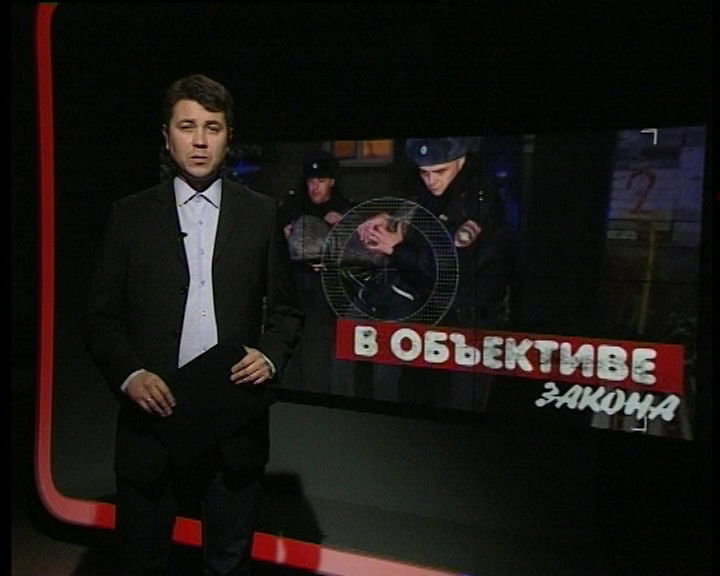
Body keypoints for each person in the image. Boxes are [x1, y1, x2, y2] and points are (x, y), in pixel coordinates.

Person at [82, 74, 303, 576]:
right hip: (151, 423)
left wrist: (269, 355)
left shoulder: (260, 214)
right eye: (187, 127)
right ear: (167, 137)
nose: (200, 141)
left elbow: (288, 311)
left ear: (229, 137)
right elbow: (99, 318)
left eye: (213, 127)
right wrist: (130, 375)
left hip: (233, 419)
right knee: (141, 562)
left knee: (228, 563)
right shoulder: (130, 216)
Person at [358, 136, 515, 411]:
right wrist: (391, 222)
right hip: (437, 317)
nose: (431, 180)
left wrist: (396, 248)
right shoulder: (436, 193)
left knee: (463, 404)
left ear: (460, 162)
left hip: (471, 321)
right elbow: (423, 232)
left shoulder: (477, 202)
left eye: (439, 171)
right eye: (424, 173)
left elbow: (448, 269)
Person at [277, 153, 355, 394]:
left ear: (331, 181)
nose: (314, 187)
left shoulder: (344, 209)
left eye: (320, 181)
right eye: (311, 181)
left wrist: (341, 226)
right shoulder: (293, 208)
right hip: (296, 292)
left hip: (329, 296)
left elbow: (358, 254)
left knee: (321, 356)